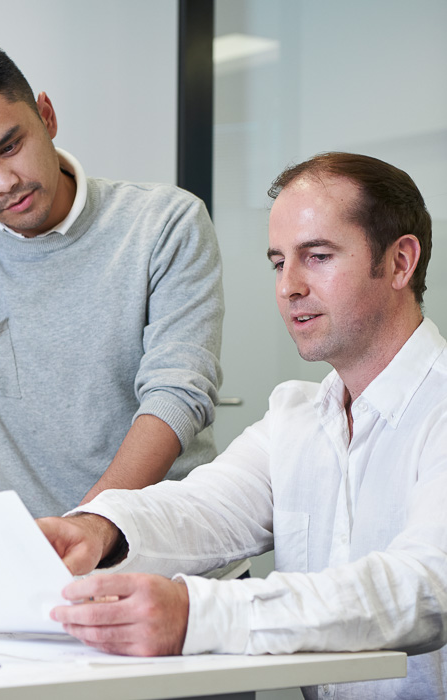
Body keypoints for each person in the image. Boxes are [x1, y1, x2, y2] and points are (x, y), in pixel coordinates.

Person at [38, 152, 447, 699]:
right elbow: (203, 509)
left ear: (401, 263)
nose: (289, 287)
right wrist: (98, 528)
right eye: (279, 263)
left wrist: (198, 616)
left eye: (317, 256)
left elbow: (424, 587)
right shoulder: (296, 416)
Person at [0, 41, 224, 527]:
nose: (3, 181)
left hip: (181, 550)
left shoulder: (164, 223)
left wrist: (88, 525)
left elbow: (178, 392)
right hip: (52, 561)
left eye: (9, 146)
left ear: (46, 117)